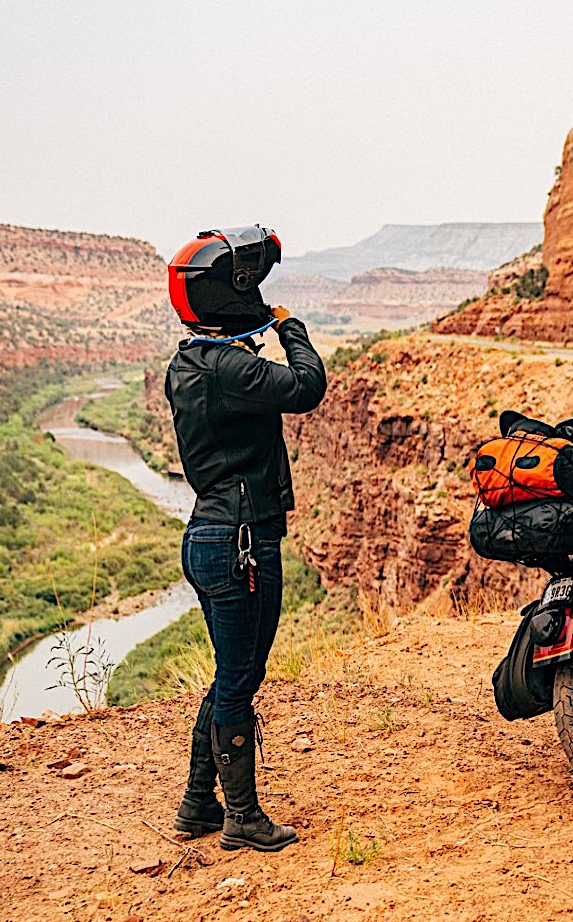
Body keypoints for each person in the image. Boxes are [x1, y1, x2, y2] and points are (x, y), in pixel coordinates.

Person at [163, 226, 327, 852]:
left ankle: (198, 804)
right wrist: (290, 327)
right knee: (238, 678)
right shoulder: (231, 367)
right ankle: (242, 818)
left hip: (211, 534)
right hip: (241, 544)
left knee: (233, 674)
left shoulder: (190, 362)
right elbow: (307, 387)